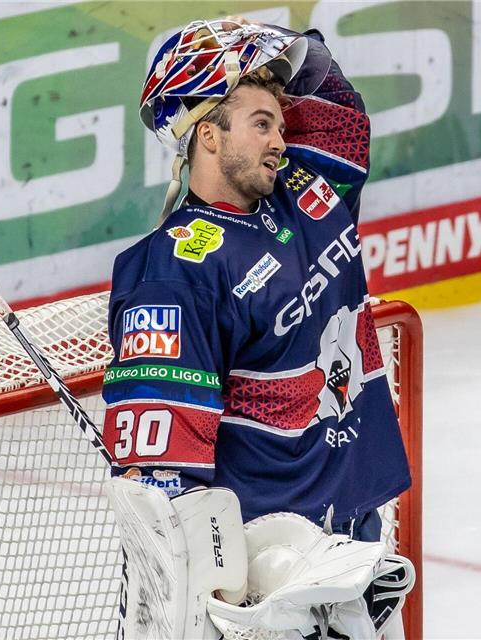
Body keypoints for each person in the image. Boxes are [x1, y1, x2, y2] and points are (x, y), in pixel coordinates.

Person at [101, 17, 411, 545]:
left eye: (283, 126)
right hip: (270, 562)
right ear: (208, 134)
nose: (279, 140)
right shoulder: (174, 270)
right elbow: (166, 474)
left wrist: (251, 43)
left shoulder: (306, 189)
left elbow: (343, 116)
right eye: (262, 124)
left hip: (357, 528)